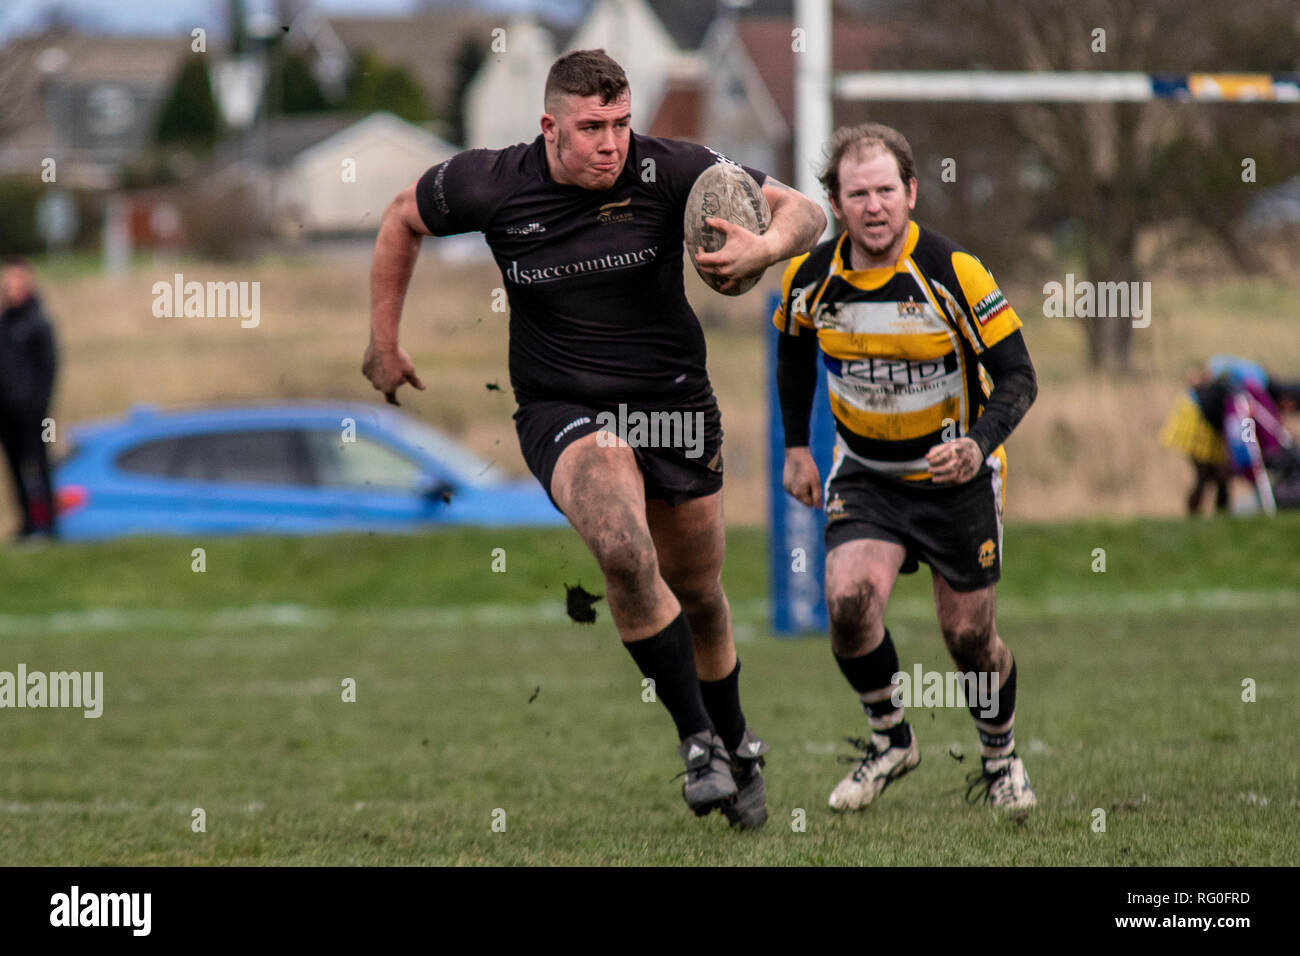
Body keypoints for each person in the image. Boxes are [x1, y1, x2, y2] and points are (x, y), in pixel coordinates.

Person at [363, 49, 826, 829]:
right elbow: (401, 215)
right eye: (591, 128)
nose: (612, 142)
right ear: (550, 126)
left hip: (674, 406)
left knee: (702, 594)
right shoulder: (492, 182)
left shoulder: (671, 167)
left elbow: (808, 213)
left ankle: (736, 740)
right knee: (622, 547)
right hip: (563, 408)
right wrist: (383, 339)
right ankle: (695, 742)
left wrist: (767, 247)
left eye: (620, 123)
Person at [774, 123, 1039, 816]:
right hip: (865, 473)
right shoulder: (812, 277)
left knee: (968, 639)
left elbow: (1018, 377)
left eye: (886, 190)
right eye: (857, 193)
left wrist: (978, 445)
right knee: (847, 604)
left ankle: (1001, 758)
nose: (874, 206)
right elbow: (793, 352)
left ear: (911, 192)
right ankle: (891, 740)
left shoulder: (956, 272)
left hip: (955, 480)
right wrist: (796, 446)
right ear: (836, 201)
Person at [0, 256, 58, 541]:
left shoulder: (38, 323)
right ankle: (26, 526)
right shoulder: (4, 324)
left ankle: (48, 528)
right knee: (15, 471)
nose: (10, 287)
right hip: (6, 414)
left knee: (39, 468)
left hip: (35, 415)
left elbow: (49, 369)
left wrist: (38, 406)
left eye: (15, 280)